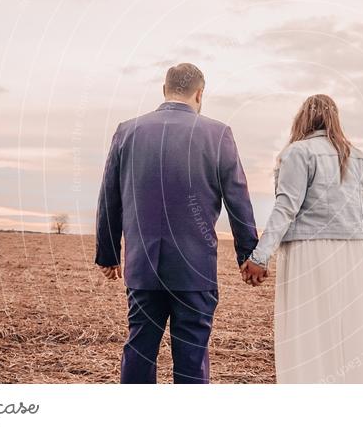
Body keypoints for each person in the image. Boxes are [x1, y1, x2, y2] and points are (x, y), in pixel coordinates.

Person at [95, 62, 261, 384]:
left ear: (164, 90)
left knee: (139, 349)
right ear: (200, 93)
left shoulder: (127, 131)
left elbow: (109, 197)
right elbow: (237, 197)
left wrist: (109, 254)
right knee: (192, 356)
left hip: (142, 265)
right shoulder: (217, 134)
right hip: (194, 268)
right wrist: (249, 255)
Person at [241, 94, 363, 383]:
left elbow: (286, 208)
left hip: (307, 254)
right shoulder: (359, 157)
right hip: (354, 256)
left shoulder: (298, 153)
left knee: (309, 333)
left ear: (303, 118)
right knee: (353, 334)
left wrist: (260, 257)